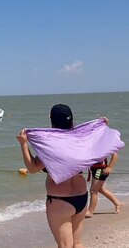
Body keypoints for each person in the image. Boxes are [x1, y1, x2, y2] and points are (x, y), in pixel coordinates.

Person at [17, 104, 89, 248]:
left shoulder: (51, 147)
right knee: (77, 243)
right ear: (72, 121)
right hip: (82, 196)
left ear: (52, 122)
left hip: (61, 200)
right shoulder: (82, 140)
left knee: (65, 245)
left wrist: (24, 145)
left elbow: (32, 168)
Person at [85, 150, 122, 218]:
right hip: (95, 168)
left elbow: (115, 154)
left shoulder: (104, 142)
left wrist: (110, 167)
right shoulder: (92, 142)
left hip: (101, 169)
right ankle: (117, 203)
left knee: (93, 190)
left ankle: (90, 212)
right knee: (100, 189)